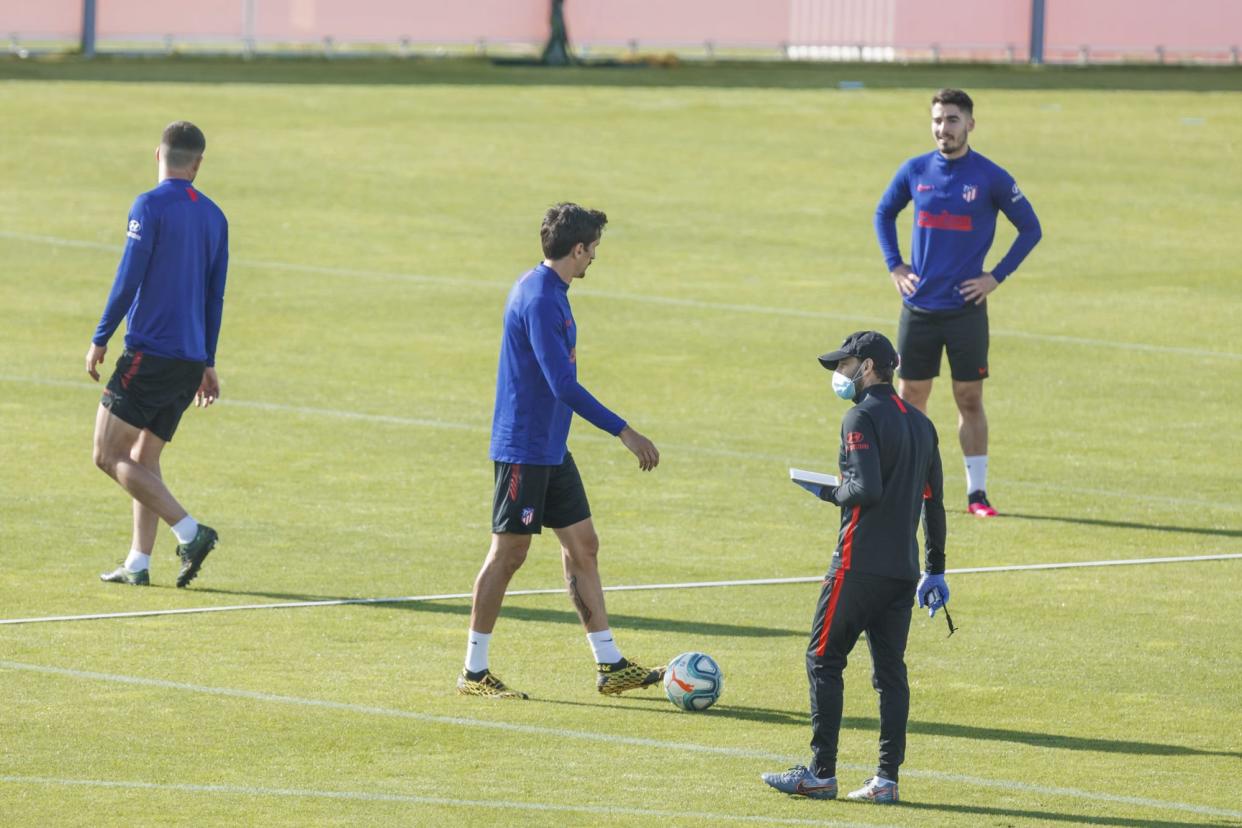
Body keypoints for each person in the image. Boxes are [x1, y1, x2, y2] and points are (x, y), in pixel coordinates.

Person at [457, 203, 664, 700]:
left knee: (583, 546)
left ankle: (610, 665)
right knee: (509, 553)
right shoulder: (540, 299)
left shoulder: (551, 290)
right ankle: (473, 672)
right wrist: (625, 432)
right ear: (578, 249)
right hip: (524, 450)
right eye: (593, 249)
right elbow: (562, 385)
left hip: (550, 448)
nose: (595, 257)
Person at [762, 330, 948, 804]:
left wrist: (824, 490)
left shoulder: (859, 416)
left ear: (867, 367)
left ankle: (821, 773)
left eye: (844, 366)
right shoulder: (923, 425)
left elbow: (864, 490)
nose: (840, 375)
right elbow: (935, 505)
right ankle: (887, 780)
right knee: (890, 674)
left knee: (823, 660)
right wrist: (936, 569)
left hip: (856, 566)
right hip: (903, 572)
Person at [874, 88, 1042, 517]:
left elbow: (1030, 229)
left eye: (951, 120)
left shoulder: (990, 177)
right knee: (910, 397)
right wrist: (895, 265)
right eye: (936, 120)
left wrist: (994, 277)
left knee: (968, 398)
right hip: (919, 310)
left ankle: (976, 495)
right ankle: (907, 487)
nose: (942, 128)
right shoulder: (915, 170)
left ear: (969, 124)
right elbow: (883, 212)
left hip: (966, 311)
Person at [87, 121, 228, 588]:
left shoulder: (148, 206)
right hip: (188, 361)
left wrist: (101, 335)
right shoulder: (215, 217)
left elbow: (129, 275)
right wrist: (207, 361)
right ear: (199, 163)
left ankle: (191, 532)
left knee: (107, 454)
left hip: (151, 353)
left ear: (158, 155)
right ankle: (138, 563)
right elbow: (215, 295)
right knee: (144, 460)